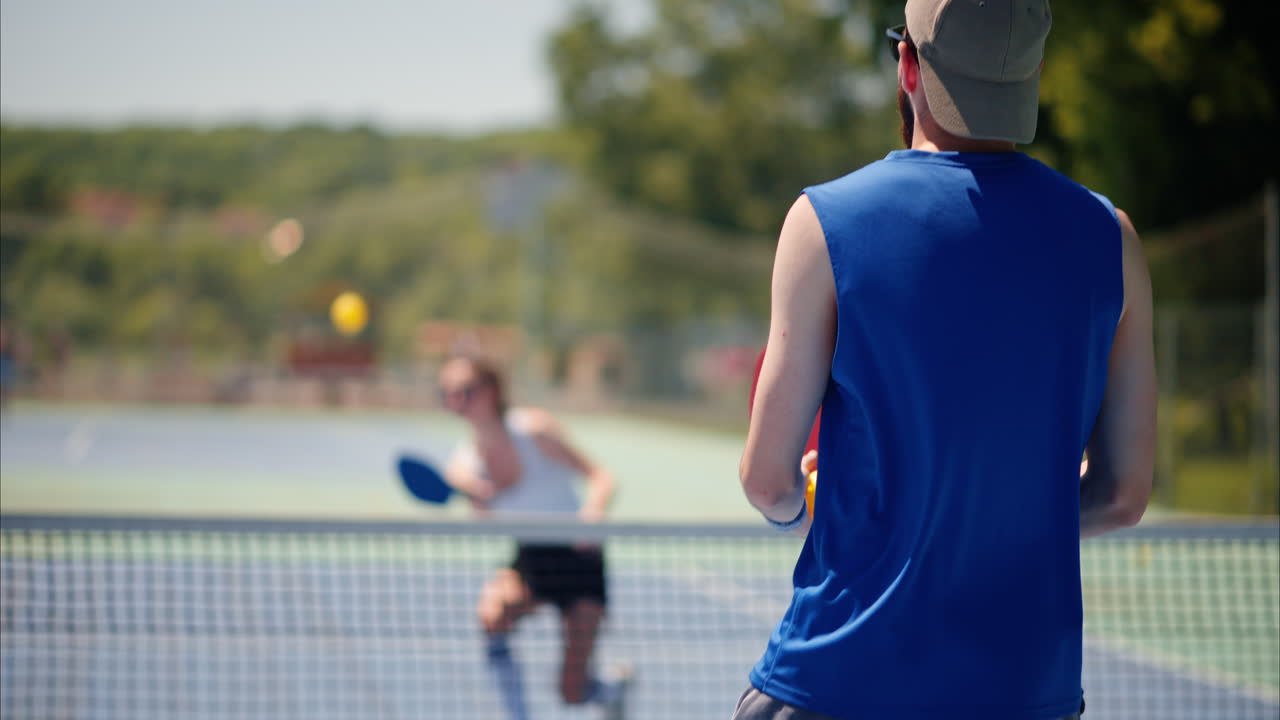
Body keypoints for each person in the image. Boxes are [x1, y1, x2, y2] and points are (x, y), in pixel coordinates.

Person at [735, 0, 1156, 718]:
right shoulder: (1110, 237)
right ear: (1035, 72)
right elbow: (1121, 495)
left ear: (907, 64)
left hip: (838, 685)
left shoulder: (824, 222)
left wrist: (824, 503)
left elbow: (768, 480)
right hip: (1026, 693)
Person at [436, 355, 632, 720]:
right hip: (532, 557)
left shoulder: (534, 430)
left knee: (571, 692)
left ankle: (610, 689)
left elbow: (601, 476)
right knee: (493, 615)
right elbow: (485, 513)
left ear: (492, 391)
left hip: (579, 556)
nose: (455, 403)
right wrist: (477, 497)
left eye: (464, 392)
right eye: (446, 394)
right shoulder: (463, 464)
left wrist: (592, 517)